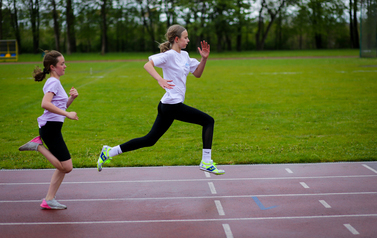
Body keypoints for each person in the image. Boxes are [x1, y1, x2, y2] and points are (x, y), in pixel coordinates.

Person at [97, 24, 224, 175]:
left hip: (167, 105)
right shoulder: (169, 55)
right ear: (176, 39)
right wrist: (159, 79)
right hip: (172, 105)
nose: (188, 40)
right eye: (185, 37)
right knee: (208, 121)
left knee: (150, 140)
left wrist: (204, 59)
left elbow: (197, 74)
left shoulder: (184, 56)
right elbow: (147, 65)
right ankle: (206, 161)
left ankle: (109, 152)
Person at [18, 50, 79, 209]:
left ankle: (49, 199)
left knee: (62, 166)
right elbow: (45, 104)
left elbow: (58, 106)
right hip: (50, 130)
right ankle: (37, 146)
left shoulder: (55, 82)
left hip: (52, 128)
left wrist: (71, 99)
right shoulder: (53, 82)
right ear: (53, 67)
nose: (65, 66)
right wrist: (68, 114)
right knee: (67, 167)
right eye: (62, 64)